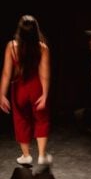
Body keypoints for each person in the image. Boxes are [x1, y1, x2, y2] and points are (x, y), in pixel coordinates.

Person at [0, 15, 52, 165]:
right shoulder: (43, 48)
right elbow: (44, 74)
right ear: (36, 30)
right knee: (41, 119)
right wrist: (45, 94)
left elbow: (6, 73)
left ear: (19, 31)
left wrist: (2, 94)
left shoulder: (11, 47)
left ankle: (26, 155)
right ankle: (42, 155)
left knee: (21, 120)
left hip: (19, 89)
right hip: (36, 87)